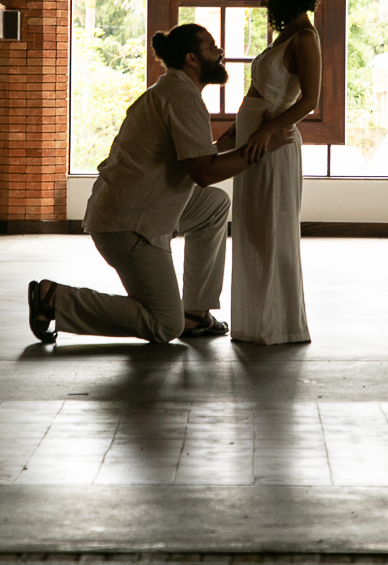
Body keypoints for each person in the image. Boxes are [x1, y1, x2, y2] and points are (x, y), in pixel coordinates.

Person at [27, 23, 294, 345]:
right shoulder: (182, 98)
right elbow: (203, 173)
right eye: (212, 49)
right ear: (192, 59)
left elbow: (192, 155)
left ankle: (194, 312)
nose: (219, 54)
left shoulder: (172, 91)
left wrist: (234, 141)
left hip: (134, 207)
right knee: (165, 325)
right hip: (130, 225)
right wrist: (264, 145)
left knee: (213, 205)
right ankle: (56, 298)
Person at [228, 0, 322, 345]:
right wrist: (230, 135)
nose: (263, 3)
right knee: (251, 232)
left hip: (273, 146)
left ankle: (280, 326)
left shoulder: (304, 39)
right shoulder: (283, 38)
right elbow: (257, 94)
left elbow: (309, 101)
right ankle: (254, 322)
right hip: (253, 143)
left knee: (272, 232)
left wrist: (267, 130)